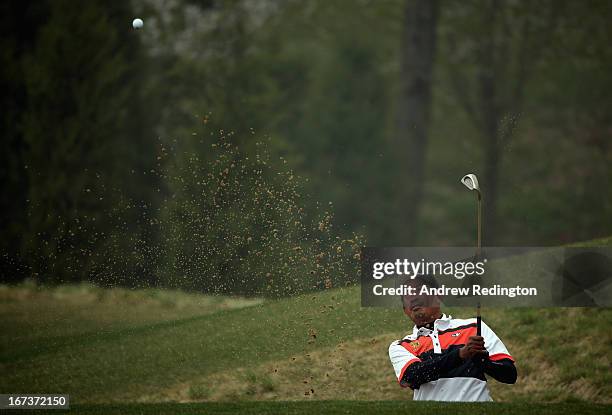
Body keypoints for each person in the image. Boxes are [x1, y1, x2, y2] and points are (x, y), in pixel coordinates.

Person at [388, 275, 516, 401]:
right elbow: (412, 376)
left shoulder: (474, 327)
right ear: (405, 310)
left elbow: (510, 375)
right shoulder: (401, 346)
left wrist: (485, 363)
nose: (413, 297)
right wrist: (460, 355)